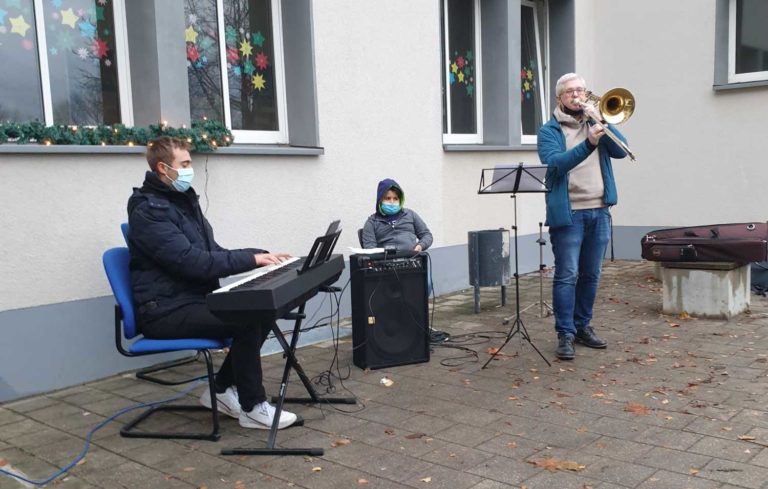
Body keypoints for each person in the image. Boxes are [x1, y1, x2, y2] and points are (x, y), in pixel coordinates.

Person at [126, 136, 297, 429]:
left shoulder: (182, 203)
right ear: (163, 168)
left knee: (261, 312)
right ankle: (253, 407)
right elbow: (191, 262)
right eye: (184, 164)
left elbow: (212, 252)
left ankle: (219, 390)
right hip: (165, 310)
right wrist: (252, 260)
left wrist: (259, 254)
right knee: (247, 319)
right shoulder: (149, 212)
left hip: (192, 300)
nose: (190, 169)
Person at [537, 73, 629, 360]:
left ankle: (582, 326)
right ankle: (564, 333)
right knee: (567, 275)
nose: (577, 95)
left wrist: (601, 120)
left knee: (591, 274)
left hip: (599, 211)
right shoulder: (549, 131)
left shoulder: (594, 122)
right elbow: (556, 164)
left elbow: (621, 150)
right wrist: (588, 143)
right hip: (570, 214)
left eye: (581, 90)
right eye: (570, 92)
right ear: (559, 98)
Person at [361, 178, 433, 253]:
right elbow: (370, 249)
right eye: (388, 198)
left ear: (400, 200)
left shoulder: (410, 214)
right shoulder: (372, 222)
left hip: (412, 257)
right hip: (386, 259)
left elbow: (427, 235)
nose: (392, 202)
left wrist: (420, 246)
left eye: (395, 198)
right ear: (380, 200)